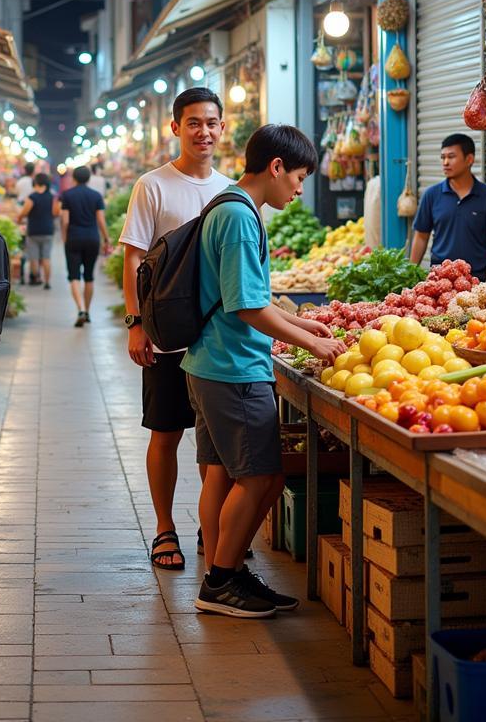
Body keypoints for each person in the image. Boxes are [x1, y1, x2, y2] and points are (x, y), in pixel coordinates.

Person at [183, 124, 346, 618]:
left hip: (209, 362)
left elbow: (247, 298)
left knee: (219, 474)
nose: (299, 189)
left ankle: (225, 572)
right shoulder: (238, 217)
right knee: (261, 478)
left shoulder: (228, 204)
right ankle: (220, 582)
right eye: (297, 177)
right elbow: (247, 307)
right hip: (233, 368)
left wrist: (299, 320)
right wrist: (314, 341)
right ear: (275, 167)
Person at [119, 87, 231, 571]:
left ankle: (213, 526)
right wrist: (135, 324)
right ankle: (165, 528)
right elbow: (134, 257)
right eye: (193, 123)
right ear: (175, 128)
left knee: (214, 440)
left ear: (222, 128)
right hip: (166, 334)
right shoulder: (153, 185)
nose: (203, 132)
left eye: (211, 123)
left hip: (217, 336)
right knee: (165, 432)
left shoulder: (231, 190)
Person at [409, 133, 486, 283]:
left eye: (451, 157)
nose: (445, 162)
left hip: (476, 281)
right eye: (442, 157)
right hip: (440, 281)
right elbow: (421, 237)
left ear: (469, 159)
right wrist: (410, 275)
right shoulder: (431, 195)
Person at [58, 165, 111, 327]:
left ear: (74, 178)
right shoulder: (96, 196)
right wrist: (106, 239)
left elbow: (65, 220)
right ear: (89, 178)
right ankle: (87, 311)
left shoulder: (67, 195)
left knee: (74, 276)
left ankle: (80, 309)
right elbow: (101, 220)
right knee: (89, 276)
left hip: (73, 237)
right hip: (92, 238)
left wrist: (64, 237)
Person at [17, 172, 57, 289]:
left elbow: (24, 212)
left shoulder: (32, 197)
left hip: (34, 230)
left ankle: (36, 277)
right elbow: (55, 212)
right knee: (46, 257)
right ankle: (47, 282)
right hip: (48, 230)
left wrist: (19, 219)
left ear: (36, 183)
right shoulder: (52, 197)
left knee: (33, 257)